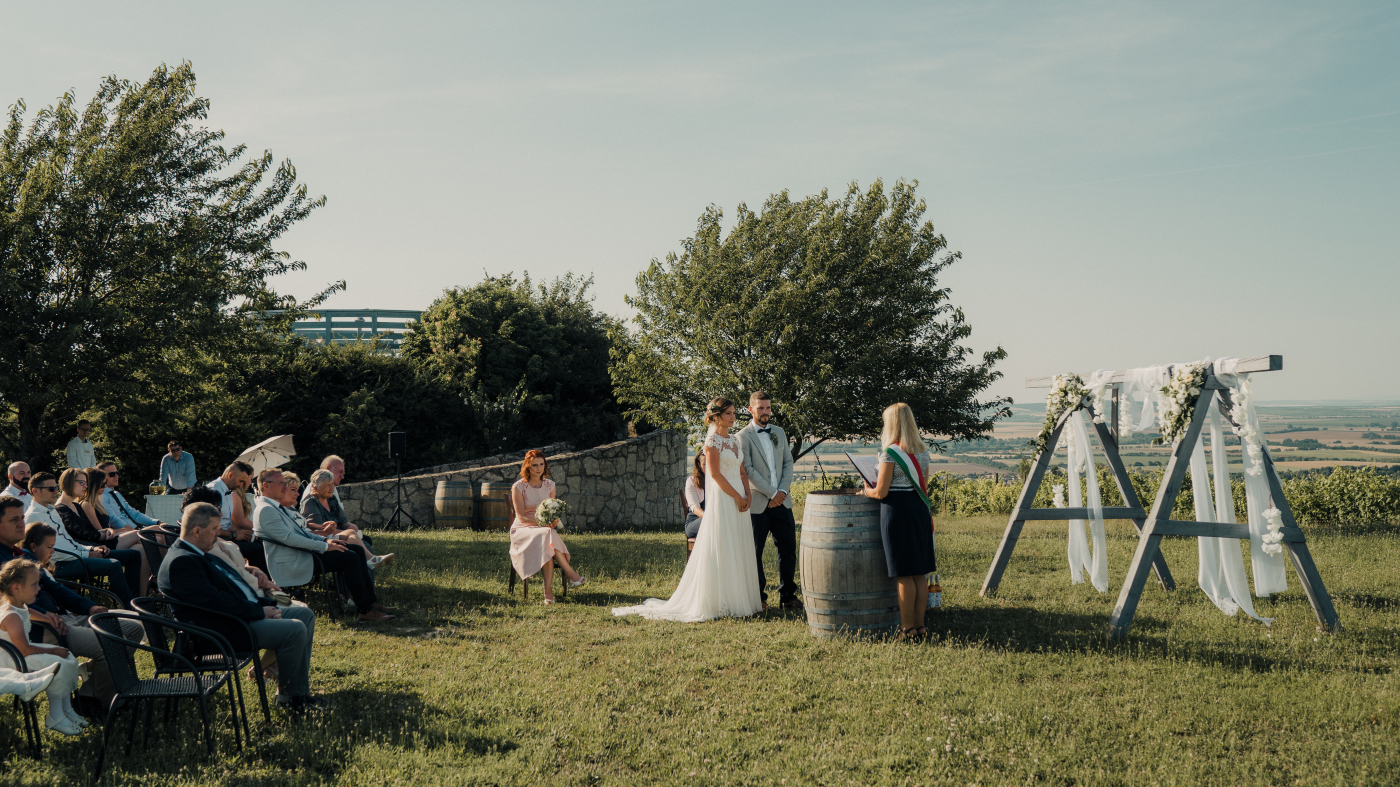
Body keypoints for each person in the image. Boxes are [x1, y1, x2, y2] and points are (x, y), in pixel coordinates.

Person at [157, 502, 322, 712]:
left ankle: (297, 691)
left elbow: (234, 591)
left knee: (304, 614)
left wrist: (267, 604)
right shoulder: (182, 562)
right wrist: (259, 612)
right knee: (294, 629)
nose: (219, 534)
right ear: (197, 531)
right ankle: (291, 700)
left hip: (235, 619)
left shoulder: (196, 553)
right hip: (219, 633)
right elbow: (216, 604)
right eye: (215, 529)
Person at [613, 398, 762, 621]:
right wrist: (737, 497)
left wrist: (748, 495)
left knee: (739, 544)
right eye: (729, 413)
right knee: (724, 545)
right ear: (717, 416)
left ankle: (742, 600)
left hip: (741, 498)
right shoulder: (712, 441)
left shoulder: (734, 440)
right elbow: (715, 475)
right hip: (725, 498)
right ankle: (721, 600)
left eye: (734, 413)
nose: (733, 417)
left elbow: (742, 472)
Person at [0, 496, 142, 718]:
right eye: (13, 520)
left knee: (133, 629)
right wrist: (46, 616)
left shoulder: (24, 555)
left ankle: (89, 692)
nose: (21, 524)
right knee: (111, 643)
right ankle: (105, 703)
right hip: (39, 629)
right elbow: (5, 606)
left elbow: (56, 589)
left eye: (21, 518)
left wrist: (89, 607)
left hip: (63, 618)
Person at [256, 469, 396, 622]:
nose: (284, 487)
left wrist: (325, 541)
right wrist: (323, 546)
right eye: (281, 483)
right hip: (295, 560)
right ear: (266, 485)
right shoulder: (266, 509)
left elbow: (301, 532)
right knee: (351, 557)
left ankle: (371, 601)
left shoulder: (276, 507)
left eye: (285, 483)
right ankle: (365, 610)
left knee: (357, 550)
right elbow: (290, 539)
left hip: (303, 553)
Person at [857, 403, 937, 640]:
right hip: (919, 509)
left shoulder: (890, 453)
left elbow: (881, 492)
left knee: (904, 573)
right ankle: (920, 627)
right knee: (919, 572)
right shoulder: (922, 451)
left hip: (898, 511)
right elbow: (923, 485)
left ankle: (906, 628)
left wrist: (865, 491)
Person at [0, 558, 85, 734]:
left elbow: (28, 612)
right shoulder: (10, 615)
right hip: (13, 659)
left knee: (69, 658)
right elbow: (24, 650)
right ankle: (55, 716)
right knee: (59, 664)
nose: (39, 588)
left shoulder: (18, 605)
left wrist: (48, 618)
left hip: (22, 652)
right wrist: (53, 650)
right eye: (34, 584)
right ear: (16, 588)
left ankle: (67, 708)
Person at [738, 391, 802, 610]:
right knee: (755, 551)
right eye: (761, 408)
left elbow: (788, 462)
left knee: (788, 548)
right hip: (757, 503)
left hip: (783, 501)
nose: (765, 412)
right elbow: (748, 470)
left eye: (768, 408)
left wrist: (781, 491)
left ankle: (787, 596)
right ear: (751, 410)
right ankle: (759, 597)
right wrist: (772, 493)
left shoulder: (779, 432)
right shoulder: (742, 436)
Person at [25, 472, 132, 599]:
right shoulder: (33, 516)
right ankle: (128, 606)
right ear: (35, 491)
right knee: (113, 565)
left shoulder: (52, 510)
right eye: (51, 489)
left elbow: (69, 540)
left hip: (74, 556)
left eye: (56, 488)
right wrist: (85, 554)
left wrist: (91, 548)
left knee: (133, 555)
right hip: (60, 563)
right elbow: (52, 551)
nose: (55, 491)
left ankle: (137, 599)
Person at [508, 451, 586, 605]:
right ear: (527, 467)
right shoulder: (518, 487)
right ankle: (569, 574)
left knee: (547, 539)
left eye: (541, 464)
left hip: (543, 529)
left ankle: (549, 592)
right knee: (547, 535)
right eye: (534, 465)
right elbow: (522, 517)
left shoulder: (550, 485)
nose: (539, 468)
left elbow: (552, 510)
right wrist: (543, 524)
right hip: (523, 529)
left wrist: (553, 520)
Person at [52, 469, 141, 603]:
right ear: (68, 482)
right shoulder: (60, 509)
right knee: (134, 553)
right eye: (81, 482)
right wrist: (102, 536)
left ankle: (134, 598)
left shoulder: (75, 505)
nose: (85, 486)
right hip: (84, 552)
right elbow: (84, 534)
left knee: (136, 552)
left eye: (86, 483)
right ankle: (130, 602)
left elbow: (90, 530)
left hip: (92, 547)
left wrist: (107, 530)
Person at [301, 470, 384, 565]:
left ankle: (368, 563)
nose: (332, 488)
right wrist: (349, 532)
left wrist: (351, 527)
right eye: (327, 485)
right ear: (315, 488)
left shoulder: (331, 499)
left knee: (364, 539)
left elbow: (344, 521)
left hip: (338, 534)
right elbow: (320, 530)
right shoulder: (310, 503)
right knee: (360, 546)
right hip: (325, 539)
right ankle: (371, 561)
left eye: (332, 484)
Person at [683, 454, 706, 540]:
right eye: (704, 464)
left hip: (715, 519)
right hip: (695, 520)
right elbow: (695, 508)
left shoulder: (717, 482)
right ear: (699, 464)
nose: (708, 467)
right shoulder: (691, 481)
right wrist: (710, 518)